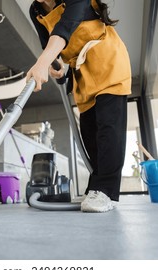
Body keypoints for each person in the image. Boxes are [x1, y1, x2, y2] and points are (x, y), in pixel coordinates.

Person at [26, 0, 131, 212]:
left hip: (108, 60)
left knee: (109, 129)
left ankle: (106, 191)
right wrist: (54, 64)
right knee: (89, 133)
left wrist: (42, 62)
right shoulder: (35, 10)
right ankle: (96, 188)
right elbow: (49, 44)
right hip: (83, 73)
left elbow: (65, 28)